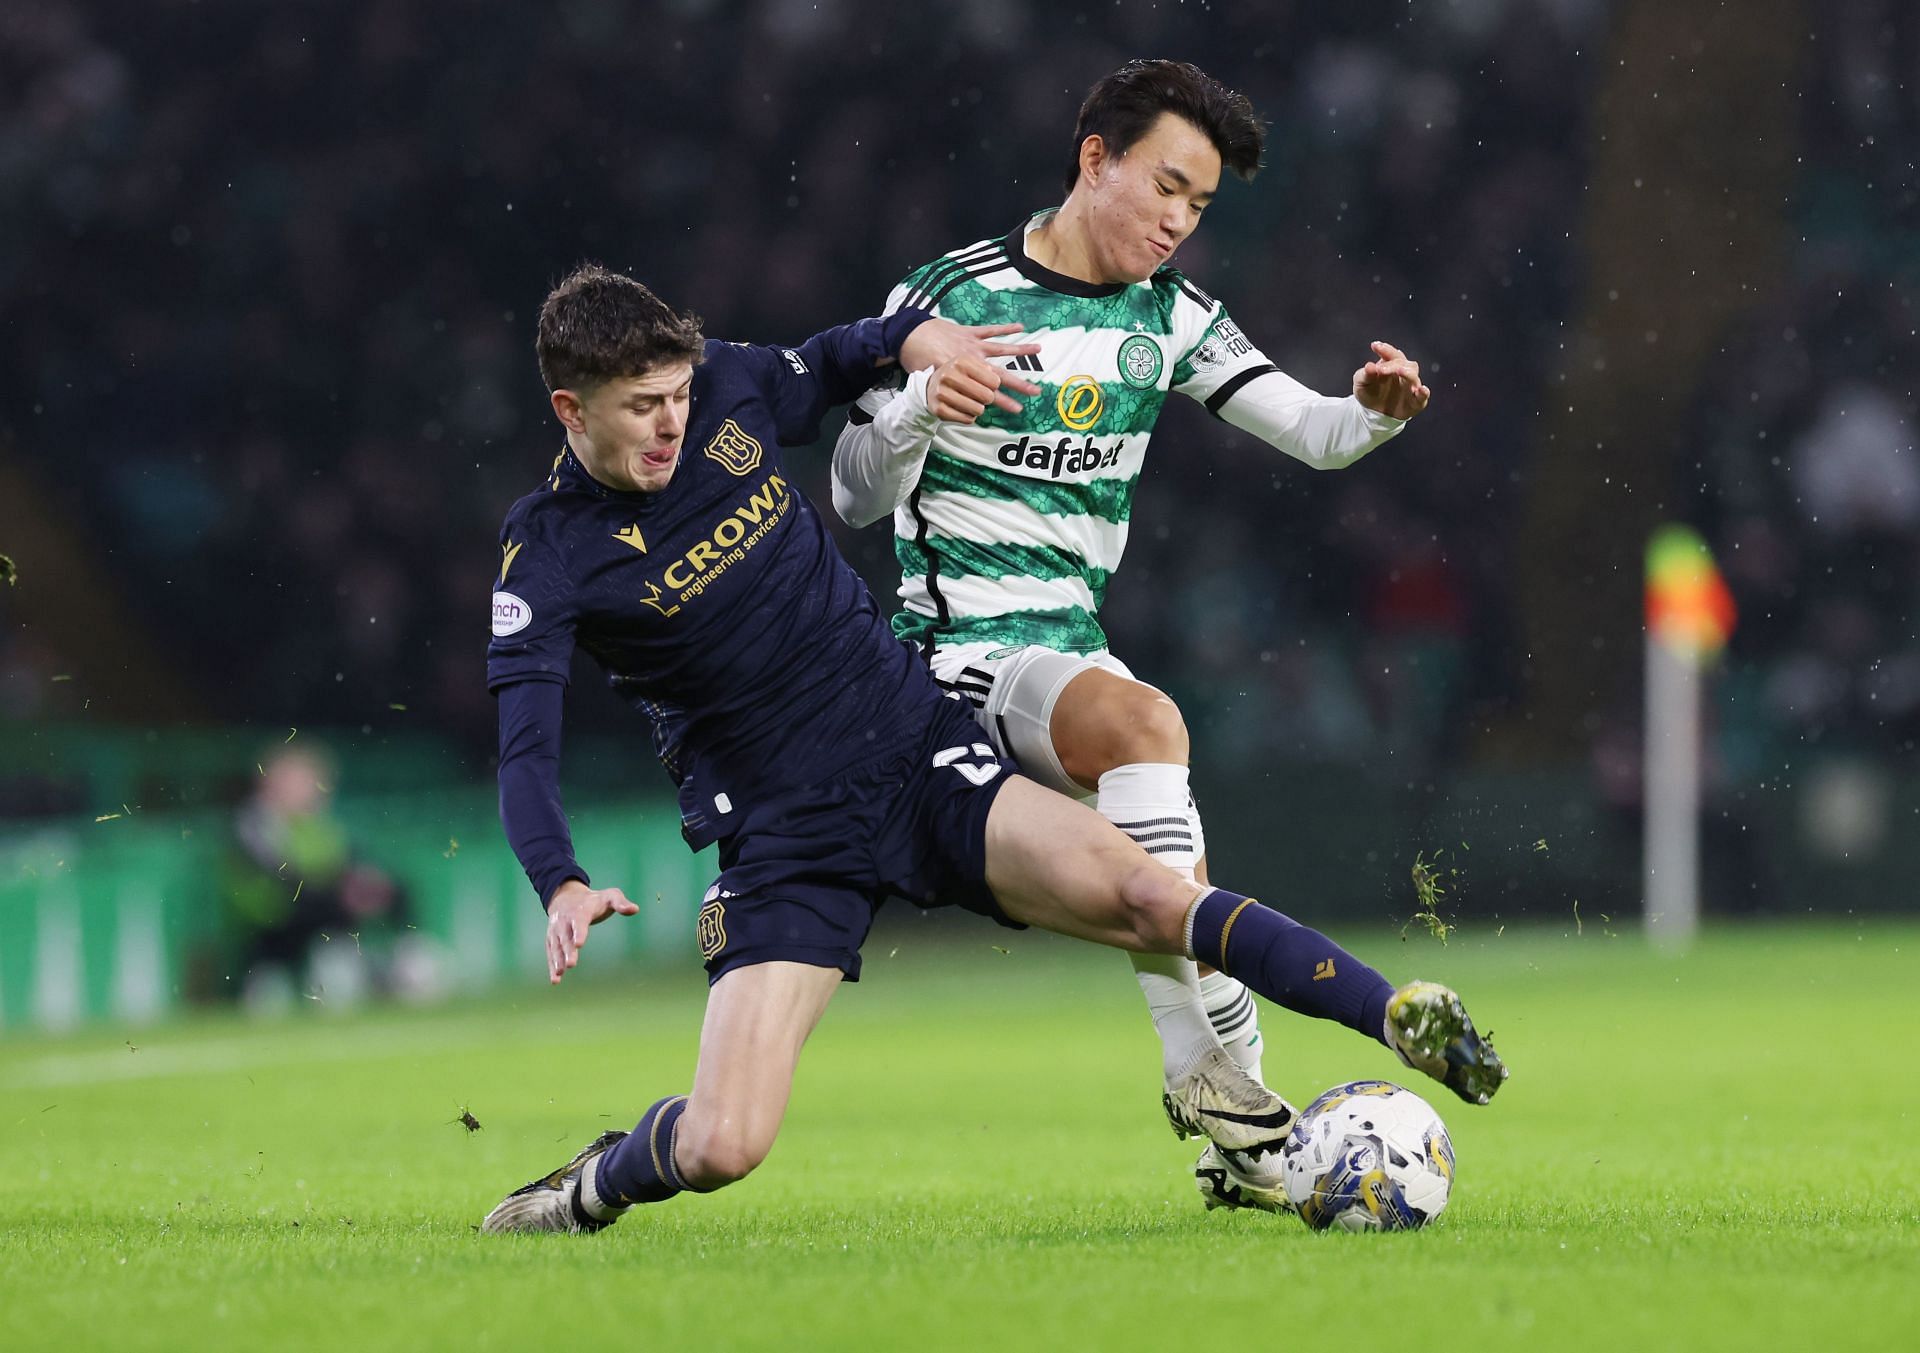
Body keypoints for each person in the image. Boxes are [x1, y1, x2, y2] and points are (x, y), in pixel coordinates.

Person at [478, 265, 1503, 1235]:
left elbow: (854, 351)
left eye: (675, 396)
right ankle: (596, 1184)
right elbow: (524, 750)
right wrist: (559, 881)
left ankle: (1399, 1013)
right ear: (572, 412)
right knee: (723, 1144)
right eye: (640, 406)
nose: (671, 423)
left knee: (1150, 894)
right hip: (786, 835)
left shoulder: (729, 388)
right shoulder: (550, 551)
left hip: (916, 751)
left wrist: (930, 347)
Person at [829, 59, 1432, 1209]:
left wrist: (1371, 413)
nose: (1177, 221)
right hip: (951, 658)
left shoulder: (1174, 316)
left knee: (1185, 889)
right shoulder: (947, 296)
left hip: (1068, 647)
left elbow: (1310, 431)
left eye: (1200, 205)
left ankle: (1246, 1154)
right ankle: (1197, 1068)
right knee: (1152, 726)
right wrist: (915, 402)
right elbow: (856, 492)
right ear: (1094, 160)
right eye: (1166, 186)